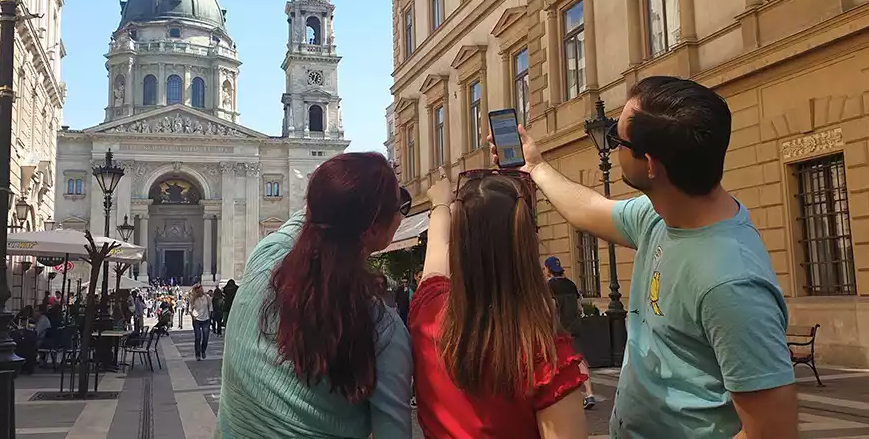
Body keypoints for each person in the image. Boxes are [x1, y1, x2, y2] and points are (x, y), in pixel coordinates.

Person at [489, 76, 797, 439]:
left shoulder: (731, 284)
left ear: (650, 164)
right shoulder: (660, 214)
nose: (612, 147)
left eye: (618, 140)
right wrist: (536, 167)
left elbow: (772, 432)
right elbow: (590, 209)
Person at [215, 152, 413, 438]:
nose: (401, 211)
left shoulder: (264, 256)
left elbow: (317, 214)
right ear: (374, 229)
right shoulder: (382, 330)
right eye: (400, 205)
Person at [409, 168, 587, 439]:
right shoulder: (544, 353)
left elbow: (435, 251)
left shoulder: (428, 313)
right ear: (526, 243)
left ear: (459, 243)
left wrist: (441, 204)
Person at [543, 256, 597, 409]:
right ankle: (589, 393)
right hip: (574, 327)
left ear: (548, 269)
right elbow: (580, 308)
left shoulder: (548, 287)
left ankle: (562, 397)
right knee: (579, 360)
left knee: (554, 363)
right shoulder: (571, 284)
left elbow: (550, 308)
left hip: (558, 329)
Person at [189, 284, 212, 360]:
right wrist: (193, 316)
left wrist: (210, 315)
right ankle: (197, 354)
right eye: (198, 289)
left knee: (205, 337)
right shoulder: (193, 299)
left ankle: (203, 350)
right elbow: (190, 309)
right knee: (198, 337)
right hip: (197, 320)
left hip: (206, 319)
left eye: (201, 288)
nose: (201, 290)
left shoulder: (207, 297)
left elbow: (210, 307)